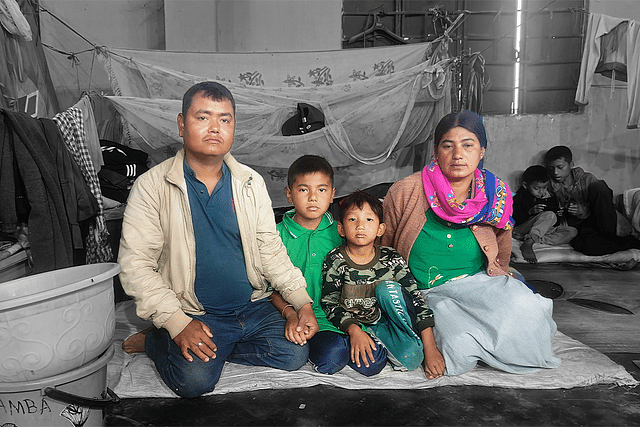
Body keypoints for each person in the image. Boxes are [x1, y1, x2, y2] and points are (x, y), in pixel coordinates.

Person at [118, 82, 318, 398]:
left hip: (251, 307)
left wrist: (301, 302)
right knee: (194, 382)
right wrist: (177, 323)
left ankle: (216, 348)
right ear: (182, 124)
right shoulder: (151, 188)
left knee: (294, 354)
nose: (215, 128)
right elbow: (136, 267)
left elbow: (271, 249)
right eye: (203, 117)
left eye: (225, 119)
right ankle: (161, 339)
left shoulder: (251, 184)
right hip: (194, 311)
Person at [382, 110, 560, 376]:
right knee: (459, 351)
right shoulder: (405, 191)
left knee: (530, 310)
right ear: (436, 150)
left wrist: (502, 272)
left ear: (481, 151)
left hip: (478, 281)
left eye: (468, 145)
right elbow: (386, 246)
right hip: (427, 292)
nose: (458, 154)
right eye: (448, 145)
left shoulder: (494, 192)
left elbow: (502, 241)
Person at [270, 155, 384, 376]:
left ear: (332, 194)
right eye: (303, 190)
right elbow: (269, 290)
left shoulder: (342, 231)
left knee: (374, 362)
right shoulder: (276, 235)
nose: (313, 198)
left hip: (345, 316)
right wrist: (290, 314)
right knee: (333, 355)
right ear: (289, 194)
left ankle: (348, 339)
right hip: (302, 319)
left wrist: (356, 327)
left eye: (321, 190)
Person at [321, 190, 445, 378]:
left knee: (388, 291)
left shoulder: (391, 258)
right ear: (341, 229)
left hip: (393, 324)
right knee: (379, 363)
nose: (360, 225)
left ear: (380, 229)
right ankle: (378, 345)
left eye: (369, 220)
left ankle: (407, 341)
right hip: (361, 327)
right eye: (352, 219)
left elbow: (416, 300)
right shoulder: (335, 260)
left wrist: (431, 349)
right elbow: (329, 303)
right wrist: (354, 330)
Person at [544, 145, 640, 256]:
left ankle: (610, 236)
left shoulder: (586, 179)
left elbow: (605, 204)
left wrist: (584, 209)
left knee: (599, 186)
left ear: (571, 165)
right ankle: (631, 243)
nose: (555, 172)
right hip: (583, 227)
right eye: (551, 168)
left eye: (560, 167)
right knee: (585, 245)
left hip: (602, 221)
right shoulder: (550, 185)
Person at [512, 165, 578, 263]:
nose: (542, 191)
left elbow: (552, 222)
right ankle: (529, 242)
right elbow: (513, 220)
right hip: (522, 228)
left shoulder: (550, 197)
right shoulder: (520, 198)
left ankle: (529, 239)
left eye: (545, 187)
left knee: (572, 231)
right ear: (525, 185)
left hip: (539, 231)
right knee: (550, 215)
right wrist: (529, 212)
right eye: (537, 188)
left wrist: (558, 216)